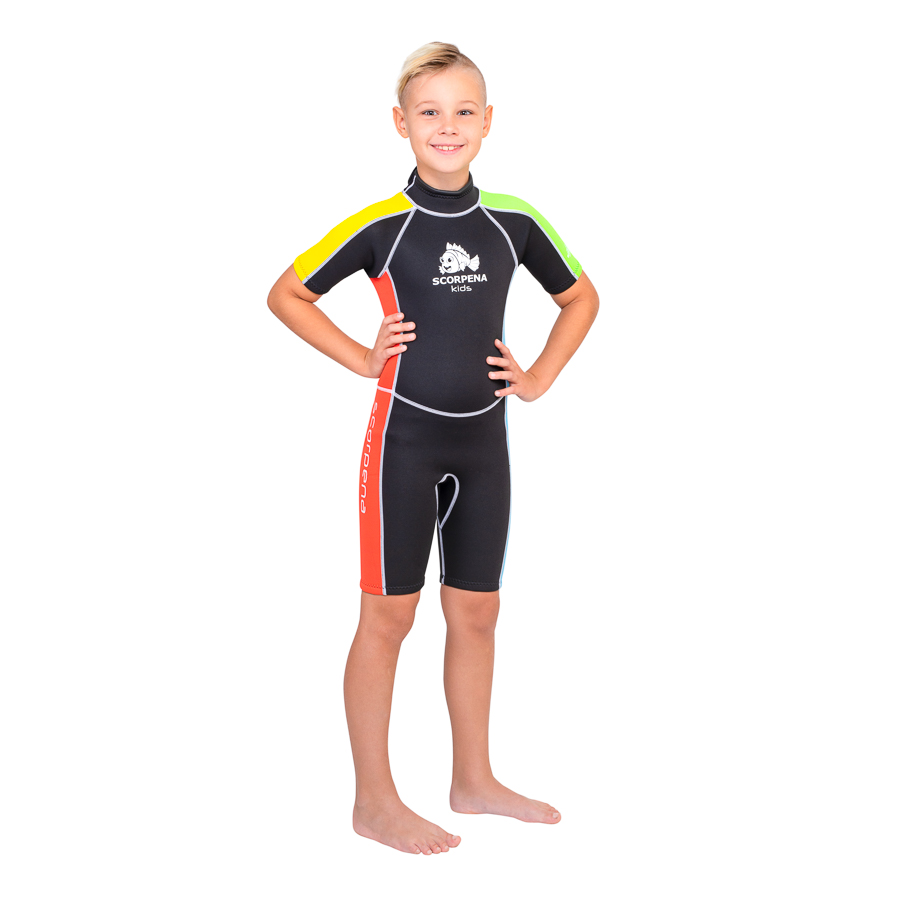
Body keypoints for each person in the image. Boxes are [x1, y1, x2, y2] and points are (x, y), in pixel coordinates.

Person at [267, 42, 599, 855]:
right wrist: (362, 357)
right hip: (404, 442)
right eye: (429, 112)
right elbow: (289, 292)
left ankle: (473, 780)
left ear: (487, 123)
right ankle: (374, 801)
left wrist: (538, 377)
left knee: (478, 612)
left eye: (462, 111)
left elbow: (582, 297)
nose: (446, 126)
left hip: (485, 445)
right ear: (401, 123)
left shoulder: (514, 220)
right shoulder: (382, 224)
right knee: (389, 616)